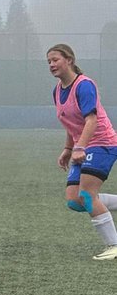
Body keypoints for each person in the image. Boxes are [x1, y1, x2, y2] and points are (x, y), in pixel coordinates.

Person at [47, 43, 117, 260]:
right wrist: (68, 148)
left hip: (102, 143)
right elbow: (71, 122)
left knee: (87, 195)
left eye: (55, 60)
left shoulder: (84, 85)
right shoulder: (57, 90)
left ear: (69, 60)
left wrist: (79, 147)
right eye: (49, 61)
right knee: (74, 201)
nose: (51, 65)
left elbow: (91, 119)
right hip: (82, 146)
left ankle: (114, 246)